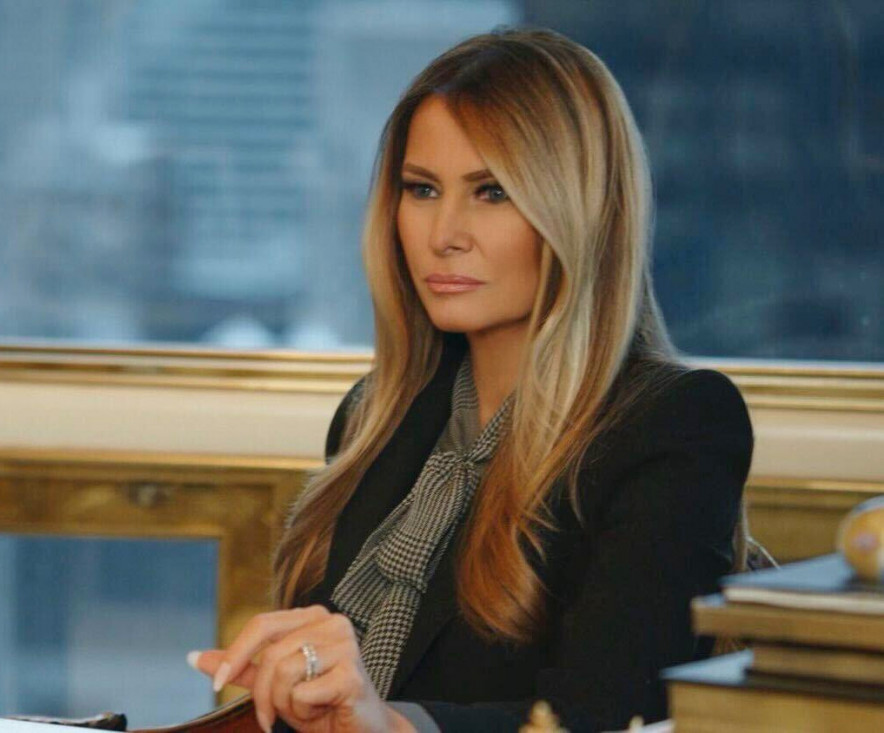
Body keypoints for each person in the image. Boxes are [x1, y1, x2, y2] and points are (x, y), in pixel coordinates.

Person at [188, 26, 753, 733]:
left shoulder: (675, 424)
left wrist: (394, 724)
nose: (443, 233)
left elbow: (608, 716)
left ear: (578, 211)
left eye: (492, 192)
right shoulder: (375, 416)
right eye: (422, 189)